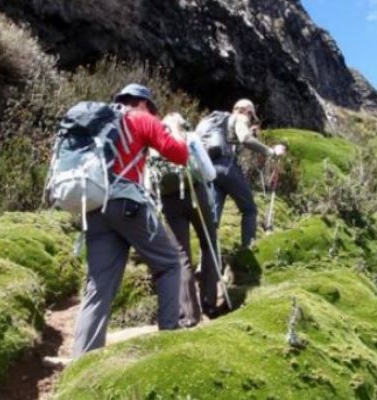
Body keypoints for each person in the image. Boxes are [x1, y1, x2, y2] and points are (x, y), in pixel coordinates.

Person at [71, 84, 189, 358]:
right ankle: (169, 339)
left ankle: (81, 361)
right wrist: (176, 130)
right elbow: (180, 155)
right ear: (144, 103)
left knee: (99, 287)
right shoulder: (142, 117)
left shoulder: (101, 123)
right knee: (170, 263)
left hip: (95, 206)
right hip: (127, 203)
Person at [152, 113, 222, 325]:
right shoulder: (190, 137)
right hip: (195, 193)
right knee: (209, 243)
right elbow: (210, 174)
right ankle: (210, 302)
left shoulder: (155, 143)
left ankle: (189, 315)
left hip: (169, 200)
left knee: (180, 254)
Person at [212, 99, 286, 248]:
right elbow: (245, 138)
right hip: (228, 167)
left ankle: (206, 263)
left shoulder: (220, 121)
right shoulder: (241, 117)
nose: (251, 120)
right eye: (252, 117)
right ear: (248, 111)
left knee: (213, 218)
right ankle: (248, 250)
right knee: (249, 210)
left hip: (212, 168)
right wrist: (270, 151)